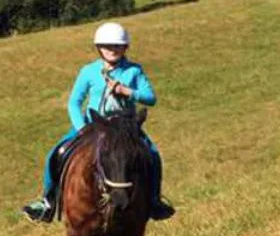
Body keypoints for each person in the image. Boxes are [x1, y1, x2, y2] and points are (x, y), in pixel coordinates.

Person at [22, 22, 174, 222]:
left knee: (152, 153)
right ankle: (47, 201)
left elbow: (150, 98)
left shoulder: (134, 71)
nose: (112, 50)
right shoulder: (88, 71)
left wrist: (127, 91)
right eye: (106, 46)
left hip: (125, 127)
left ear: (125, 47)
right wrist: (82, 128)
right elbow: (74, 103)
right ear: (98, 48)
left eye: (117, 46)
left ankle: (154, 201)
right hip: (93, 125)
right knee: (57, 152)